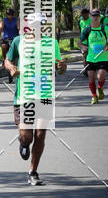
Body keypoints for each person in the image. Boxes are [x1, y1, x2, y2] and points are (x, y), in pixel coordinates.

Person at [4, 28, 67, 185]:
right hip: (24, 97)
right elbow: (7, 60)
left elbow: (59, 70)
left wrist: (62, 66)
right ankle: (23, 143)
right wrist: (11, 68)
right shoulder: (19, 41)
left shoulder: (52, 43)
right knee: (27, 137)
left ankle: (33, 172)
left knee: (40, 134)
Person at [80, 9, 108, 104]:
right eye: (93, 16)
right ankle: (94, 97)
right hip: (91, 58)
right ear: (90, 17)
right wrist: (83, 47)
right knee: (91, 77)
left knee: (100, 77)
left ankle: (100, 88)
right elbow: (80, 42)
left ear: (99, 17)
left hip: (103, 57)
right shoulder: (87, 29)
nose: (95, 17)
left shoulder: (105, 28)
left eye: (97, 16)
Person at [0, 8, 19, 82]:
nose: (9, 16)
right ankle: (4, 59)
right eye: (8, 15)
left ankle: (15, 68)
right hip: (6, 38)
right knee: (3, 46)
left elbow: (18, 27)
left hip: (14, 39)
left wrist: (19, 32)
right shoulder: (4, 20)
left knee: (16, 54)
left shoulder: (16, 20)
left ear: (13, 15)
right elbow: (0, 28)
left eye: (11, 15)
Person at [78, 8, 90, 77]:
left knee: (90, 56)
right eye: (82, 14)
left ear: (87, 14)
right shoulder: (80, 21)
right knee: (84, 56)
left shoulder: (91, 20)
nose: (83, 16)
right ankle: (86, 69)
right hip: (83, 42)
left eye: (85, 14)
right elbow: (80, 29)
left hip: (90, 41)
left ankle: (91, 68)